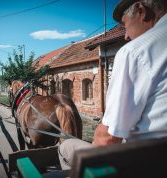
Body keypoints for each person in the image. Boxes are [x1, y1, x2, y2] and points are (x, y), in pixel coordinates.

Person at [58, 0, 167, 170]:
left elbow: (107, 139)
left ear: (141, 11)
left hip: (143, 165)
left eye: (125, 25)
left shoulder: (135, 51)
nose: (126, 36)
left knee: (66, 147)